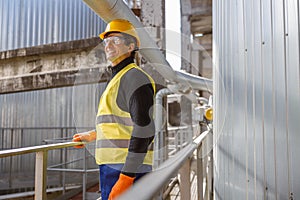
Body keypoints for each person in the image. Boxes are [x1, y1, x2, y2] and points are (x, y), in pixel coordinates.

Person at [72, 19, 156, 200]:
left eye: (115, 40)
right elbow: (120, 122)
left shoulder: (134, 78)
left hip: (126, 169)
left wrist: (126, 178)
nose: (108, 45)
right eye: (106, 41)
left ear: (130, 46)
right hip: (115, 167)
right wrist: (93, 136)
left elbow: (145, 129)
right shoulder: (118, 79)